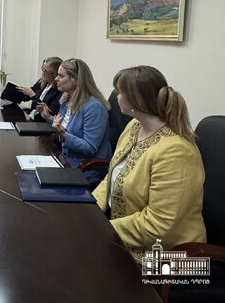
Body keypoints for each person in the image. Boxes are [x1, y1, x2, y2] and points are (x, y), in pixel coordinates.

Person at [93, 66, 205, 263]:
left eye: (120, 92)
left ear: (135, 100)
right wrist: (89, 211)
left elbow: (158, 224)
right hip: (123, 233)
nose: (117, 97)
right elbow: (112, 176)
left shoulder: (175, 151)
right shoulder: (134, 127)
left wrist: (102, 228)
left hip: (165, 255)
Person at [38, 58, 111, 184]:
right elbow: (65, 126)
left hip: (86, 170)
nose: (56, 79)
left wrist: (64, 135)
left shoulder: (94, 108)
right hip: (66, 161)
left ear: (76, 79)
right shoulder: (66, 100)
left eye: (61, 76)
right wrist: (48, 118)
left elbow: (90, 148)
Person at [16, 56, 62, 122]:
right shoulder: (41, 82)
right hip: (31, 117)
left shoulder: (59, 90)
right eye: (43, 69)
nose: (43, 72)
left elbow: (50, 111)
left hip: (41, 122)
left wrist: (32, 95)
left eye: (46, 71)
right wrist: (16, 92)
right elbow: (27, 96)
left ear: (55, 74)